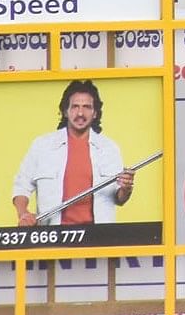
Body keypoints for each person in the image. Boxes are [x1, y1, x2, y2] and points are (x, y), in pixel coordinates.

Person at [10, 79, 134, 225]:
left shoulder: (109, 148)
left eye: (87, 107)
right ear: (65, 111)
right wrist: (23, 213)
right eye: (75, 106)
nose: (80, 113)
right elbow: (21, 185)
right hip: (54, 238)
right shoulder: (42, 145)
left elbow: (119, 199)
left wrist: (126, 188)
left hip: (98, 238)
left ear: (95, 113)